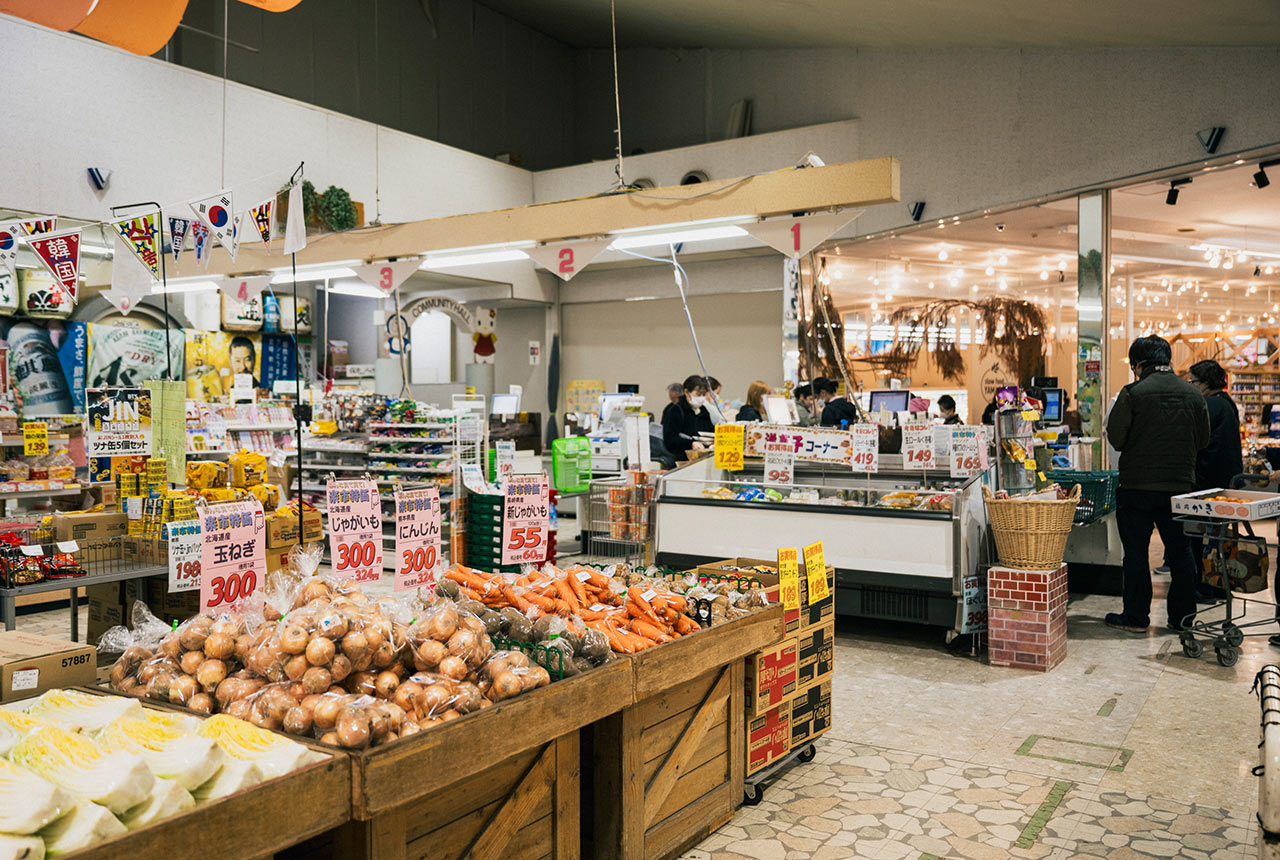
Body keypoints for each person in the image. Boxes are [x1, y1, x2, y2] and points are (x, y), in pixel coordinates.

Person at [1104, 335, 1209, 634]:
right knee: (1182, 552)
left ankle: (1136, 616)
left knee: (1136, 553)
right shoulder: (1193, 394)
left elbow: (1117, 438)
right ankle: (1182, 617)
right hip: (1180, 486)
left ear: (1138, 365)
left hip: (1137, 487)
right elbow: (1203, 439)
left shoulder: (1132, 393)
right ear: (1168, 359)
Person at [1186, 359, 1242, 603]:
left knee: (1197, 537)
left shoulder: (1207, 405)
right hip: (1225, 481)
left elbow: (1202, 444)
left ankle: (1201, 584)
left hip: (1206, 481)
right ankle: (1220, 583)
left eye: (1194, 382)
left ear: (1206, 382)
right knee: (1219, 536)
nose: (1191, 386)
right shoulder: (1227, 403)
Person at [662, 375, 711, 460]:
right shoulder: (676, 410)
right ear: (686, 392)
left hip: (702, 457)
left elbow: (709, 430)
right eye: (698, 394)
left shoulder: (703, 410)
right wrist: (691, 444)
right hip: (681, 458)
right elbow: (670, 439)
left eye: (703, 394)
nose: (701, 398)